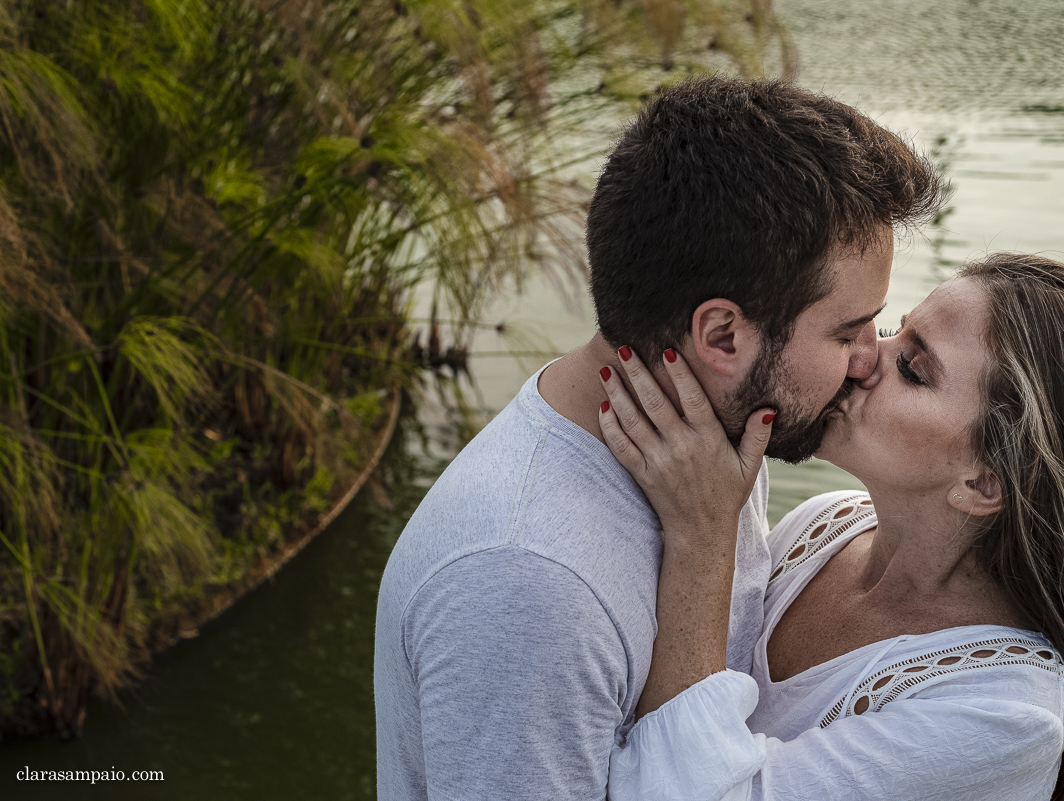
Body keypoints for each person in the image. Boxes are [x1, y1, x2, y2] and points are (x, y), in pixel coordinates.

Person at [373, 76, 945, 799]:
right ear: (722, 335)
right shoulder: (528, 583)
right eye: (845, 329)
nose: (868, 356)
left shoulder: (716, 439)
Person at [599, 254, 1064, 801]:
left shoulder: (1005, 712)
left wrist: (702, 538)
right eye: (897, 329)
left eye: (913, 368)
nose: (860, 356)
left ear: (983, 485)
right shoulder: (822, 526)